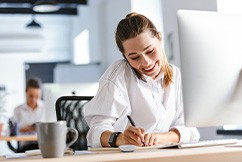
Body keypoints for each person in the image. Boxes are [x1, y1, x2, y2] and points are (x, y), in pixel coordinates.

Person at [84, 12, 200, 148]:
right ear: (125, 56)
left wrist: (159, 138)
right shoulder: (118, 75)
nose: (146, 62)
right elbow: (95, 134)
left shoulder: (175, 74)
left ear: (160, 39)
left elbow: (190, 130)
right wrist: (120, 138)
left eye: (150, 51)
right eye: (134, 57)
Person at [11, 78, 46, 152]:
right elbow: (13, 130)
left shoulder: (46, 108)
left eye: (37, 96)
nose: (33, 99)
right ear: (25, 92)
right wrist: (27, 128)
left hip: (43, 146)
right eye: (31, 96)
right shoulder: (18, 110)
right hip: (25, 147)